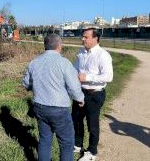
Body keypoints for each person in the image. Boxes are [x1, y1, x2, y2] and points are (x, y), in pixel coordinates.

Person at [22, 33, 85, 161]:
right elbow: (73, 86)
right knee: (66, 143)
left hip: (40, 107)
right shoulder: (64, 63)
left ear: (45, 46)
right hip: (59, 109)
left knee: (45, 140)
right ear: (59, 46)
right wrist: (80, 99)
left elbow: (26, 83)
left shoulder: (34, 62)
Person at [72, 28, 113, 161]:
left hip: (95, 94)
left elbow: (108, 76)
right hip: (80, 92)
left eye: (86, 37)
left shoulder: (103, 55)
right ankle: (77, 144)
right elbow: (75, 69)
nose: (82, 39)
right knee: (76, 119)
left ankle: (91, 152)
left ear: (95, 39)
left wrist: (87, 77)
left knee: (92, 124)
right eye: (82, 37)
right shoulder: (81, 52)